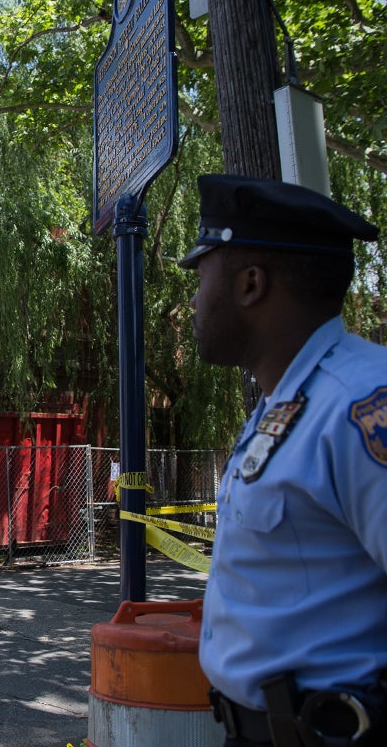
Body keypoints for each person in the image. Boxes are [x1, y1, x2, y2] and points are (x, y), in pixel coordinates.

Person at [179, 174, 386, 746]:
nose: (193, 300)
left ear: (250, 284)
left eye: (202, 276)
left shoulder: (359, 404)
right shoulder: (288, 403)